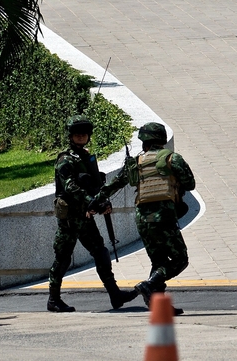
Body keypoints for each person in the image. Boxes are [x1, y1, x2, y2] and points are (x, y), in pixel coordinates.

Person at [98, 122, 195, 315]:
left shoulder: (137, 162)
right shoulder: (172, 159)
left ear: (144, 142)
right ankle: (148, 284)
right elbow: (190, 184)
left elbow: (115, 184)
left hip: (143, 220)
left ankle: (158, 305)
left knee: (159, 262)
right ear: (162, 140)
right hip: (164, 218)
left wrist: (96, 199)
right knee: (179, 259)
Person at [48, 115, 138, 313]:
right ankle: (53, 299)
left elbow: (95, 185)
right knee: (62, 257)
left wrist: (101, 202)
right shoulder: (65, 159)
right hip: (71, 217)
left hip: (85, 216)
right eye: (77, 134)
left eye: (84, 134)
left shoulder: (87, 158)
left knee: (100, 252)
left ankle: (115, 294)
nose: (81, 136)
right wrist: (93, 202)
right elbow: (70, 187)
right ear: (71, 136)